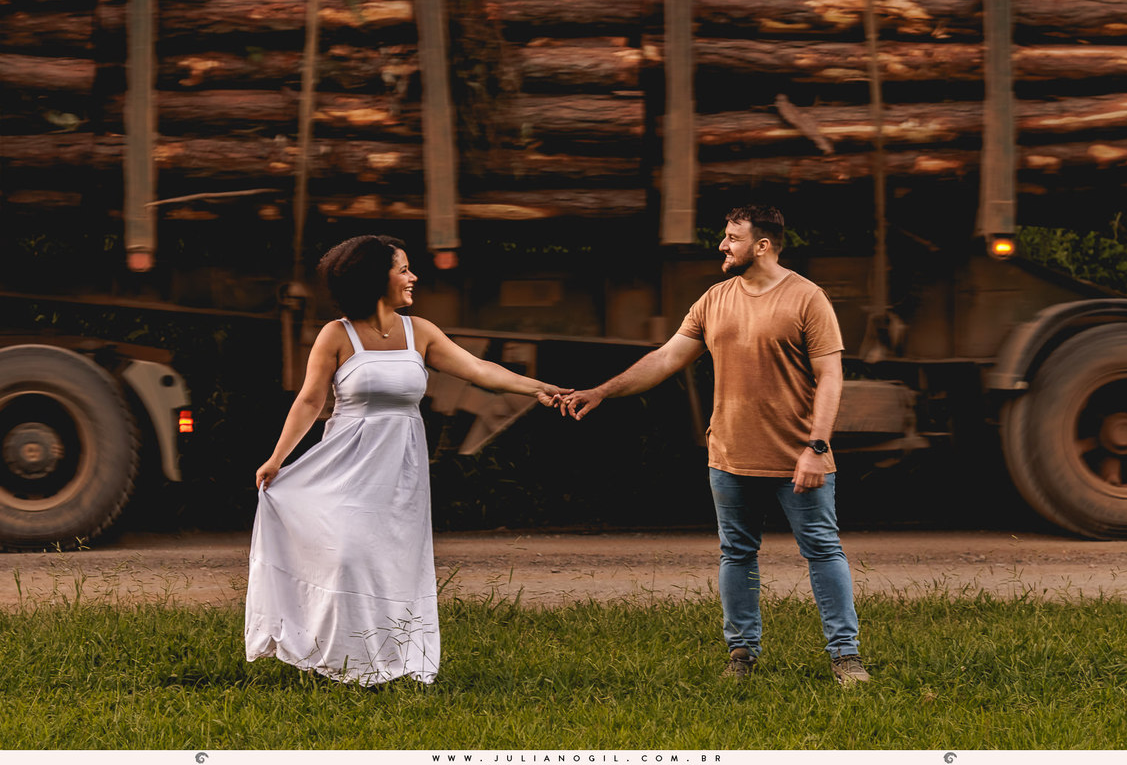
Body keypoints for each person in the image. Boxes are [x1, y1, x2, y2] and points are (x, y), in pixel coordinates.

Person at [560, 204, 869, 685]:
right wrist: (602, 391)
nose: (722, 245)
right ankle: (741, 655)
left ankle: (845, 656)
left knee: (823, 550)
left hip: (797, 456)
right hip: (729, 456)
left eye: (732, 238)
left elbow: (831, 376)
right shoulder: (715, 298)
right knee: (737, 554)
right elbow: (666, 358)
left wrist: (817, 447)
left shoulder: (807, 298)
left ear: (761, 246)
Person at [245, 234, 570, 686]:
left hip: (400, 467)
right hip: (346, 461)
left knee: (392, 559)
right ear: (375, 277)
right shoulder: (337, 334)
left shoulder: (421, 331)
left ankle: (391, 657)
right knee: (346, 555)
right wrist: (277, 458)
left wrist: (538, 388)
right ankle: (335, 655)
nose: (413, 277)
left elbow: (480, 371)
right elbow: (310, 400)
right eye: (403, 269)